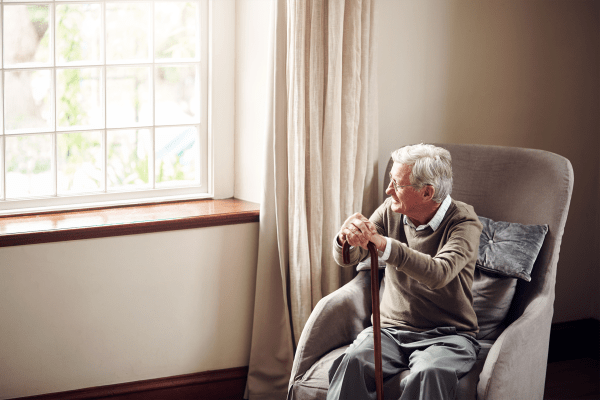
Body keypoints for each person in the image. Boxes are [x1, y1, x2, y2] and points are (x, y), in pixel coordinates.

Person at [327, 143, 483, 400]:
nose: (389, 191)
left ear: (426, 192)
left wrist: (385, 245)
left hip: (448, 337)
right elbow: (350, 257)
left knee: (429, 373)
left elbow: (439, 273)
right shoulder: (390, 210)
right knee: (352, 361)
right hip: (389, 330)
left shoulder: (463, 222)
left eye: (397, 185)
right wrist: (347, 238)